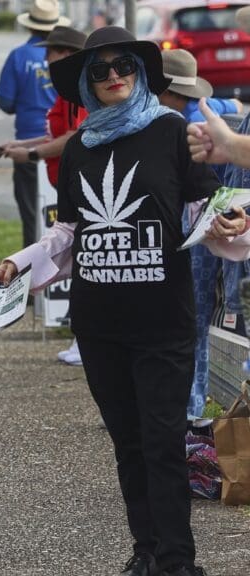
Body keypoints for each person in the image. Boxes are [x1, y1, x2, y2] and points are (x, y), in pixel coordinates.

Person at [0, 27, 250, 576]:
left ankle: (178, 561)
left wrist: (231, 222)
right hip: (100, 324)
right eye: (100, 70)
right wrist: (19, 261)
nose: (113, 76)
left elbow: (204, 209)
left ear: (139, 71)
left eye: (123, 65)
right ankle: (146, 552)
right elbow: (69, 232)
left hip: (163, 323)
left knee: (162, 443)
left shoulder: (172, 131)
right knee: (128, 446)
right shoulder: (80, 146)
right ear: (86, 82)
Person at [157, 48, 242, 421]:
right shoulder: (208, 110)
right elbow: (230, 103)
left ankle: (186, 407)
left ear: (165, 91)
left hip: (197, 227)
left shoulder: (178, 126)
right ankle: (192, 404)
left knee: (186, 320)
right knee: (198, 321)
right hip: (220, 223)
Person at [0, 24, 88, 366]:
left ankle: (84, 338)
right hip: (67, 184)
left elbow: (76, 137)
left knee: (80, 257)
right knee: (73, 255)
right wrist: (22, 145)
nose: (46, 57)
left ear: (67, 54)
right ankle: (81, 336)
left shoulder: (80, 91)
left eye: (51, 51)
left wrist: (32, 154)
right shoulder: (67, 90)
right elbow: (58, 134)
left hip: (80, 186)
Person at [0, 0, 70, 247]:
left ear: (30, 25)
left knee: (31, 214)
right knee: (63, 215)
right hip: (60, 147)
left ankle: (31, 265)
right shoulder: (69, 62)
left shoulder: (19, 56)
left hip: (29, 141)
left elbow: (5, 102)